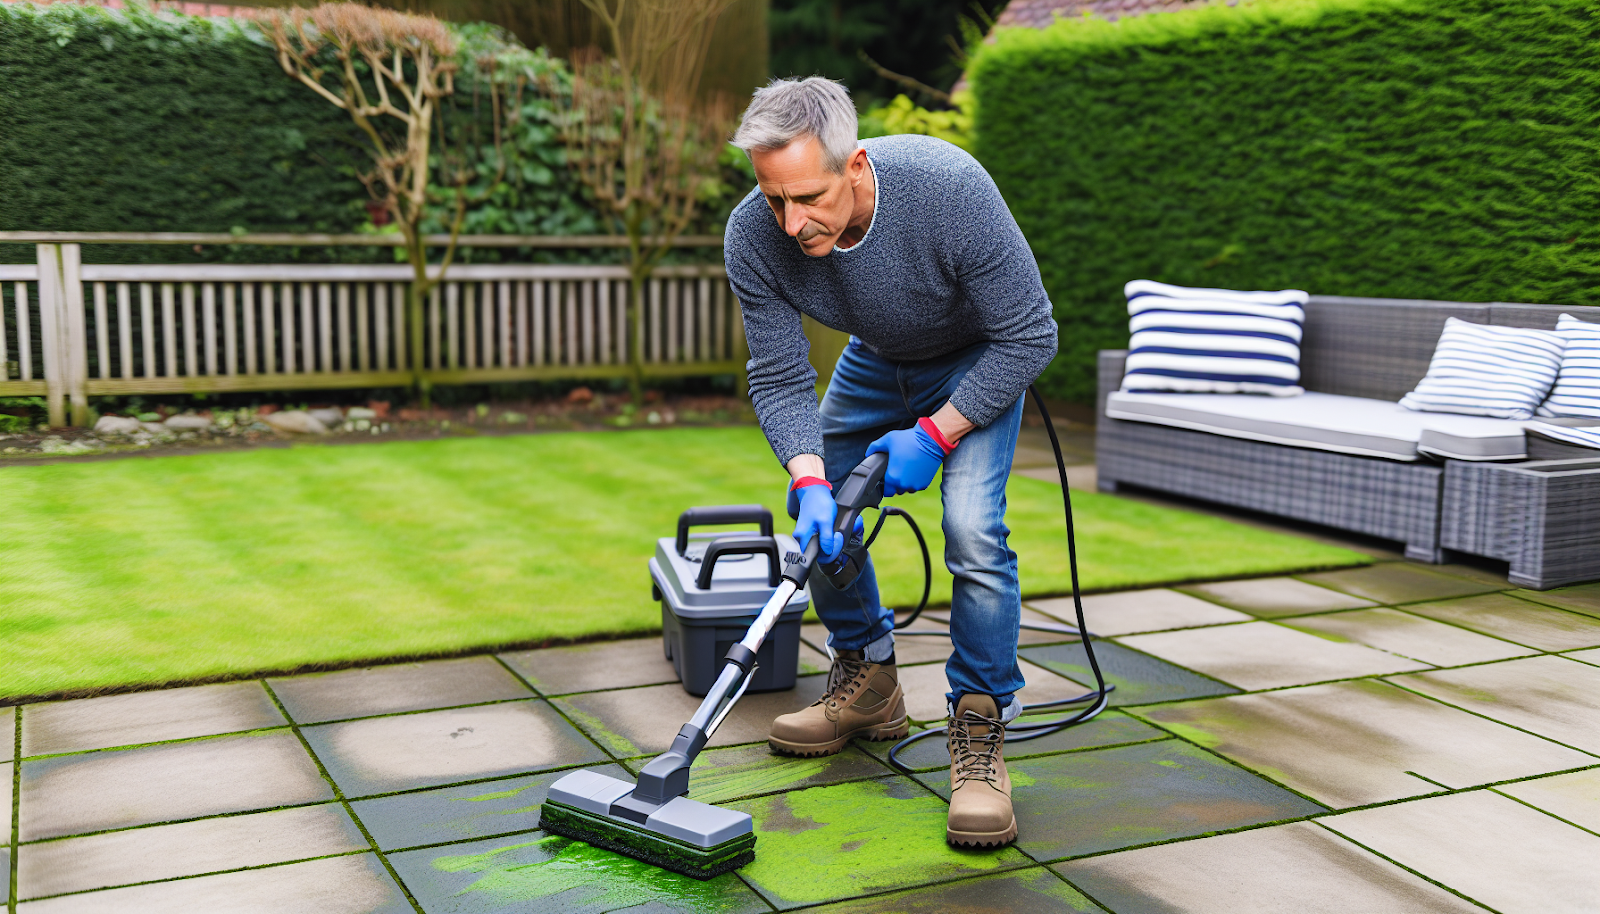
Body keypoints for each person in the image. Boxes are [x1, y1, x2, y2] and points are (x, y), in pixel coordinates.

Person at [724, 76, 1058, 847]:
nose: (791, 220)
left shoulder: (947, 189)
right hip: (878, 360)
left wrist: (935, 434)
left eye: (807, 196)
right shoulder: (754, 234)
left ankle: (980, 724)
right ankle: (869, 677)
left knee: (973, 531)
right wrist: (808, 477)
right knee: (822, 517)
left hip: (979, 358)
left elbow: (1031, 335)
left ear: (857, 165)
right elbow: (778, 377)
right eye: (774, 199)